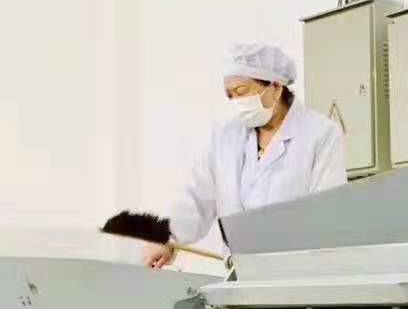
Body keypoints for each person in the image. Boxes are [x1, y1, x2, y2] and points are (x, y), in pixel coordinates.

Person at [145, 42, 347, 268]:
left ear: (275, 87)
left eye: (241, 92)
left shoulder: (320, 134)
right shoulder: (225, 137)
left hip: (298, 271)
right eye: (230, 95)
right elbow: (197, 199)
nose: (237, 102)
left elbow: (327, 214)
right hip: (241, 274)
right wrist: (167, 237)